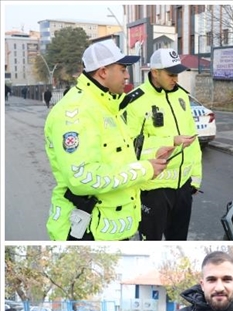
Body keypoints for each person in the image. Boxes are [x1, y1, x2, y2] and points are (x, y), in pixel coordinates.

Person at [45, 39, 171, 241]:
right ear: (103, 72)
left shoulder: (107, 105)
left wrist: (150, 159)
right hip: (87, 230)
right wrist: (144, 169)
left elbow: (115, 157)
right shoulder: (76, 112)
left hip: (112, 225)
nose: (127, 75)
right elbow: (82, 176)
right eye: (122, 69)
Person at [120, 48, 201, 242]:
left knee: (179, 243)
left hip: (183, 187)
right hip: (153, 189)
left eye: (177, 74)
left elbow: (193, 139)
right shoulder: (135, 101)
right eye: (170, 74)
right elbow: (128, 146)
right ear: (155, 72)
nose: (176, 79)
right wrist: (169, 141)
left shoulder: (181, 96)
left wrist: (196, 178)